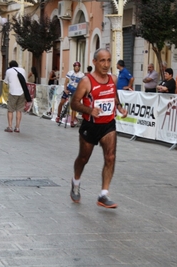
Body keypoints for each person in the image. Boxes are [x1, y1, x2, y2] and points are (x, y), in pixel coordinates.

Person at [70, 48, 127, 209]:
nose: (106, 64)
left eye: (109, 60)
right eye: (102, 60)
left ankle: (104, 194)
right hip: (90, 125)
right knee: (83, 158)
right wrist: (89, 110)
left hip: (108, 125)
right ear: (94, 62)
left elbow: (114, 97)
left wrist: (120, 108)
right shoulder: (86, 81)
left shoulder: (113, 79)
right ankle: (75, 182)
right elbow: (74, 103)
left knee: (110, 157)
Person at [55, 61, 84, 127]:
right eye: (75, 67)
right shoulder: (70, 73)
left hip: (76, 90)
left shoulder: (82, 75)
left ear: (79, 68)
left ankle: (72, 121)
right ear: (74, 67)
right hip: (69, 88)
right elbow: (65, 83)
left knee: (74, 106)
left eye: (78, 67)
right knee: (62, 102)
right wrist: (65, 90)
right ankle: (58, 116)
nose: (77, 68)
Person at [3, 60, 26, 133]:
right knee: (19, 110)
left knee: (10, 110)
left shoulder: (9, 71)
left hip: (13, 92)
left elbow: (5, 82)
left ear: (10, 65)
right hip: (22, 92)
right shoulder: (22, 70)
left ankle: (10, 126)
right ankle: (17, 127)